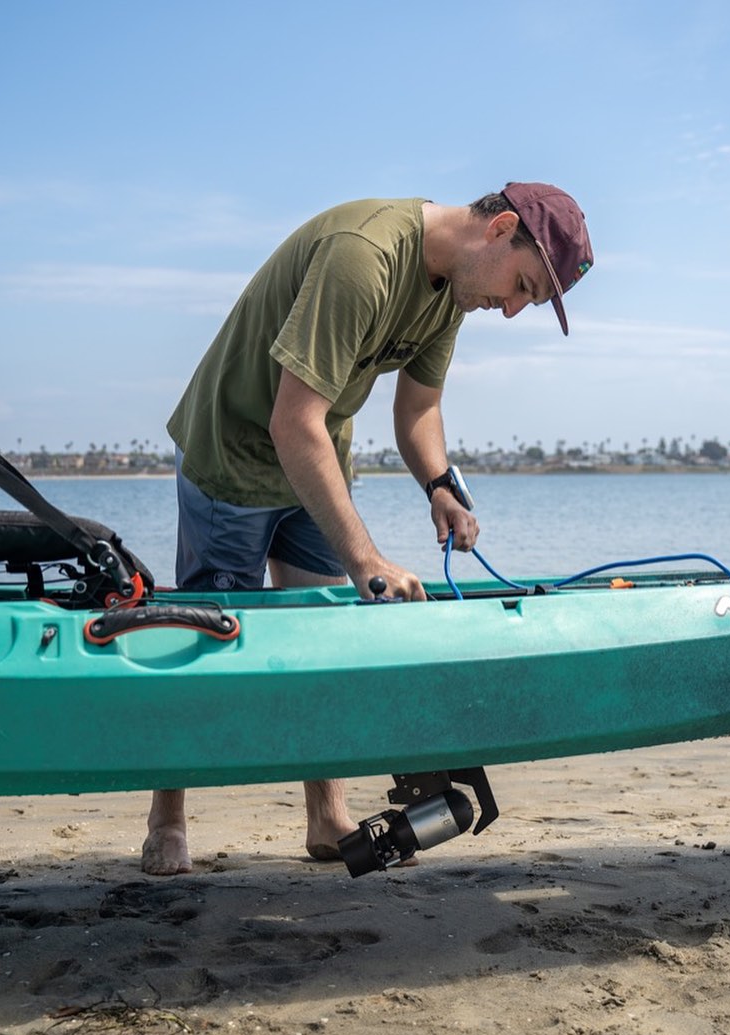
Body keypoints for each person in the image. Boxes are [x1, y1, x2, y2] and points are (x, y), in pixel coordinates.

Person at [142, 182, 594, 875]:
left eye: (525, 302)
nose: (508, 309)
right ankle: (166, 817)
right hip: (232, 451)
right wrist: (367, 559)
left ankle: (325, 814)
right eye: (522, 286)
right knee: (205, 641)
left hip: (316, 456)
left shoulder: (454, 289)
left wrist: (440, 484)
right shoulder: (365, 258)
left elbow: (418, 408)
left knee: (324, 639)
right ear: (500, 228)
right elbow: (290, 420)